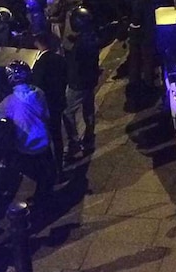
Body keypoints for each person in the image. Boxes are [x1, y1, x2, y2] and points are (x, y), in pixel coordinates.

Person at [0, 60, 55, 207]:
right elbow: (45, 114)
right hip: (44, 139)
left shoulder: (10, 101)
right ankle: (45, 193)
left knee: (30, 171)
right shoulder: (38, 92)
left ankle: (41, 199)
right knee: (47, 170)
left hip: (28, 145)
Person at [62, 6, 100, 160]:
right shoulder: (91, 37)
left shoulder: (80, 46)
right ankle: (89, 138)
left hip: (78, 83)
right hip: (90, 80)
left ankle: (74, 142)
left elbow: (75, 64)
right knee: (88, 109)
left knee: (67, 111)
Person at [30, 31, 67, 168]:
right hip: (59, 101)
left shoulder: (39, 65)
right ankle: (60, 163)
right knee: (58, 136)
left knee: (48, 137)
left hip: (47, 106)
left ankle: (54, 166)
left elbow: (37, 87)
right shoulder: (59, 59)